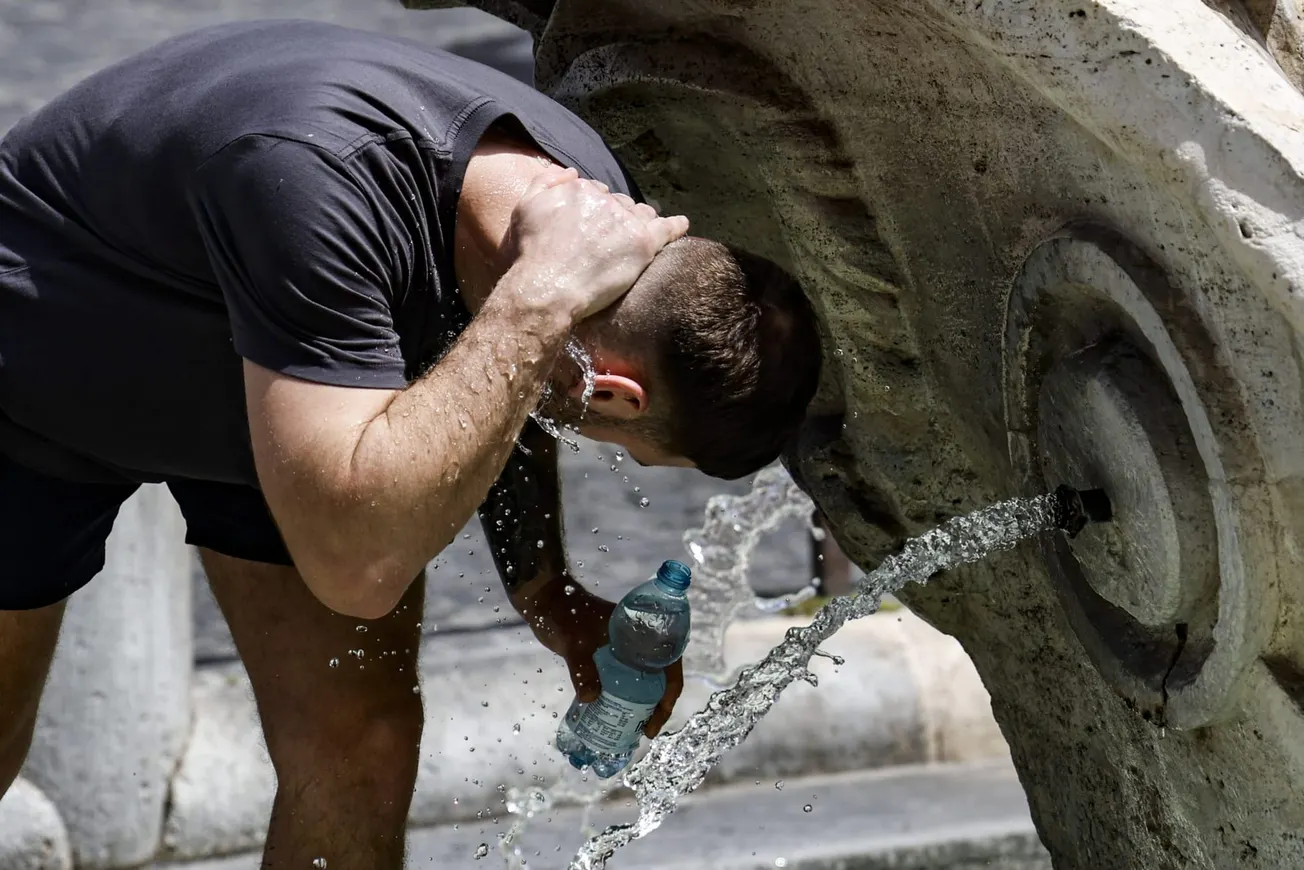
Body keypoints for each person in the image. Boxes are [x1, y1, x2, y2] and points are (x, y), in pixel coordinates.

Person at [0, 19, 821, 868]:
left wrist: (545, 590)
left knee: (364, 741)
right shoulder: (332, 190)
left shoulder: (599, 237)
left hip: (290, 387)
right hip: (41, 345)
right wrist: (537, 299)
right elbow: (356, 570)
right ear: (612, 393)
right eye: (623, 445)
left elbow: (518, 380)